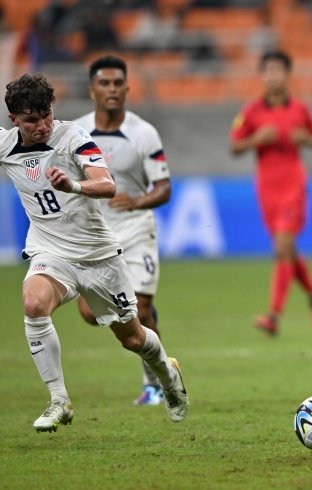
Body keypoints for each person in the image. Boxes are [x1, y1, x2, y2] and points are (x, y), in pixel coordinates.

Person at [0, 74, 188, 432]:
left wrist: (72, 184)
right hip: (50, 250)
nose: (41, 125)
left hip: (97, 254)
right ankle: (59, 400)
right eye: (31, 120)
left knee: (132, 338)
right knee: (33, 304)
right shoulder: (6, 146)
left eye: (46, 115)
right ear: (14, 121)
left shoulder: (73, 137)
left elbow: (107, 184)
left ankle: (167, 373)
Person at [74, 55, 172, 406]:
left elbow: (164, 187)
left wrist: (138, 201)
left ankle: (156, 384)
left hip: (134, 229)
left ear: (128, 89)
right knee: (90, 313)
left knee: (139, 312)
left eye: (118, 84)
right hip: (95, 236)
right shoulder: (77, 133)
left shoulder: (143, 132)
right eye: (104, 83)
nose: (112, 90)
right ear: (92, 90)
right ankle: (147, 327)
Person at [230, 50, 312, 335]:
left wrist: (306, 139)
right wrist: (254, 140)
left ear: (287, 74)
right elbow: (234, 146)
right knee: (288, 251)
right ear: (262, 76)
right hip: (266, 188)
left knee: (282, 247)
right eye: (268, 71)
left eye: (278, 70)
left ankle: (273, 316)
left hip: (293, 185)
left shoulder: (300, 108)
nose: (273, 76)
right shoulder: (251, 112)